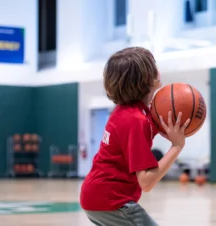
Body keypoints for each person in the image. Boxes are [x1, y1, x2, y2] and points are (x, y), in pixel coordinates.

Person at [80, 47, 190, 225]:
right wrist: (176, 147)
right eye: (153, 65)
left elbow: (155, 128)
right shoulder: (135, 119)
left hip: (96, 196)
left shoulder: (130, 112)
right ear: (146, 78)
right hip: (111, 201)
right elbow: (146, 182)